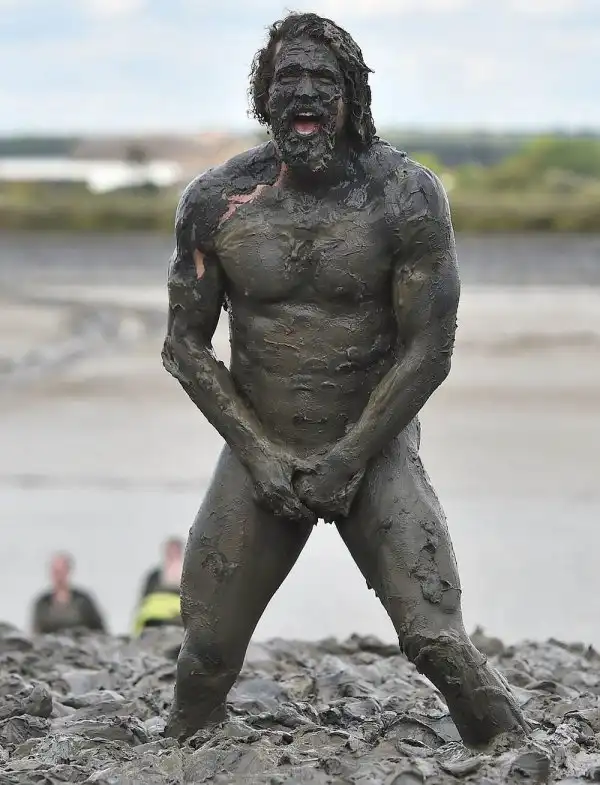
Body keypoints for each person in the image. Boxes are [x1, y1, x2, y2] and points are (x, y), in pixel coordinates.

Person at [160, 12, 530, 746]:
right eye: (287, 78)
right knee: (204, 658)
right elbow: (184, 345)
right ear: (263, 96)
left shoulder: (405, 196)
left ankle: (516, 751)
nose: (303, 93)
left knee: (437, 643)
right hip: (261, 450)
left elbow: (430, 347)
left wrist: (350, 457)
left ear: (353, 96)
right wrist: (259, 454)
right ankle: (180, 759)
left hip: (373, 446)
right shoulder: (217, 201)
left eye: (322, 79)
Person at [31, 552, 106, 635]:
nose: (59, 577)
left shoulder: (83, 602)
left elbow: (101, 631)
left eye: (61, 572)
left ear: (68, 572)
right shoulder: (43, 604)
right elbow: (36, 633)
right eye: (55, 572)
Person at [132, 537, 184, 635]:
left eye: (175, 551)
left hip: (178, 615)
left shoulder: (189, 574)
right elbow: (144, 598)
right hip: (152, 617)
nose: (172, 554)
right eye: (170, 551)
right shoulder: (155, 575)